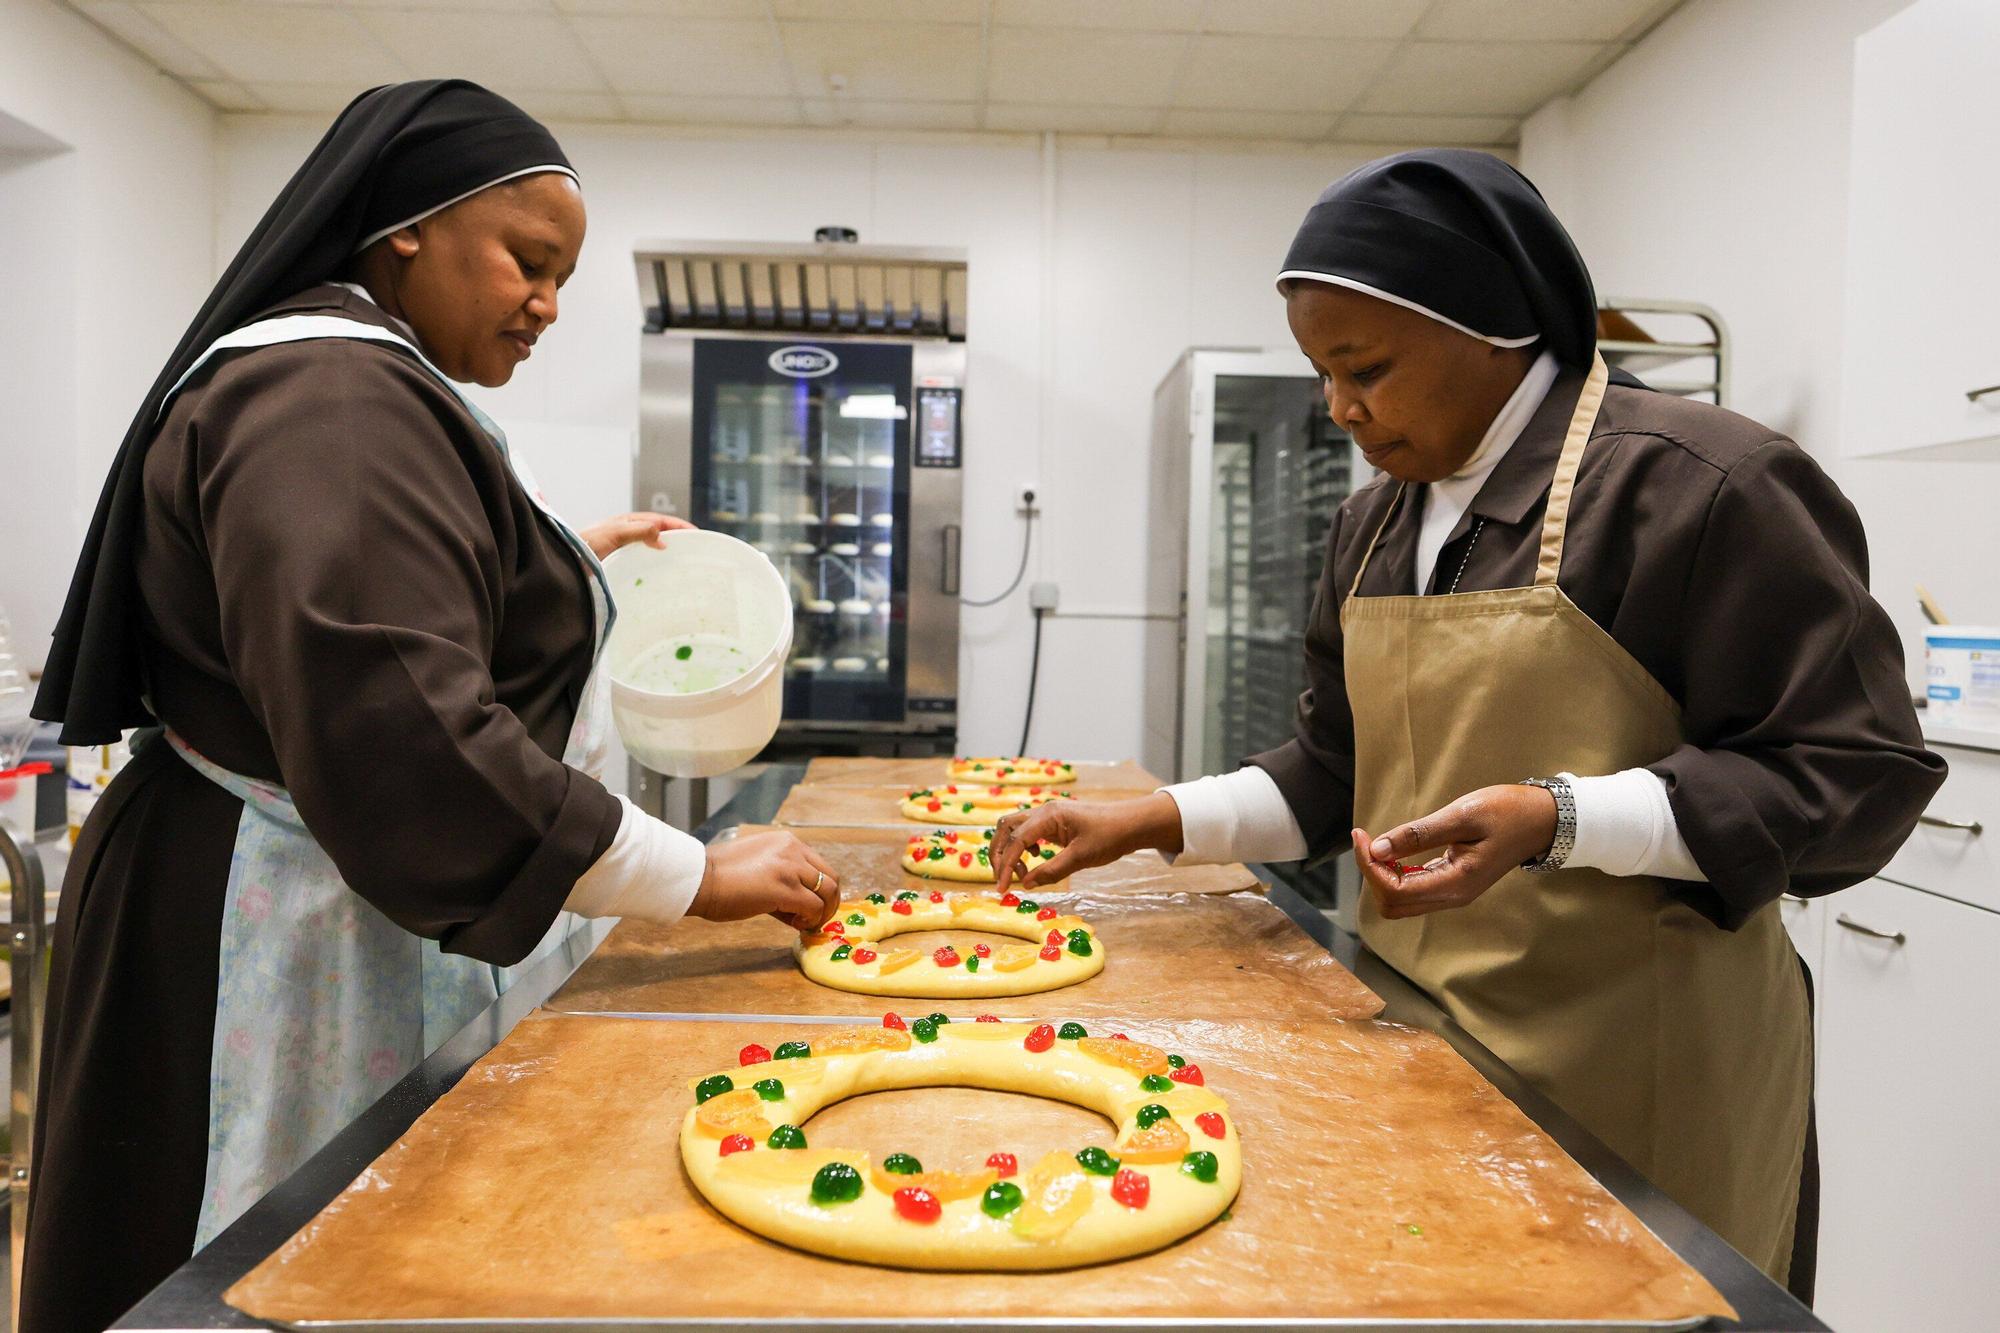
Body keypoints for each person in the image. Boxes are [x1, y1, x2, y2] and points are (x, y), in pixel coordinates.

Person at [992, 149, 1945, 1302]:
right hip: (1429, 1025)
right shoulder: (1375, 521)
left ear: (1494, 328)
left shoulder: (1697, 487)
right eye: (1321, 373)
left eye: (1365, 367)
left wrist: (1560, 817)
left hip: (1640, 1065)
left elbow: (1852, 773)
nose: (1340, 406)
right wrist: (1150, 821)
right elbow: (1335, 770)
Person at [23, 81, 837, 1333]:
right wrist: (691, 872)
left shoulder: (352, 388)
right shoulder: (331, 400)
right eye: (527, 259)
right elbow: (400, 720)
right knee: (270, 1264)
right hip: (263, 928)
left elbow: (379, 584)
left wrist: (554, 552)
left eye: (562, 279)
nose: (546, 305)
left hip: (307, 880)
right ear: (408, 227)